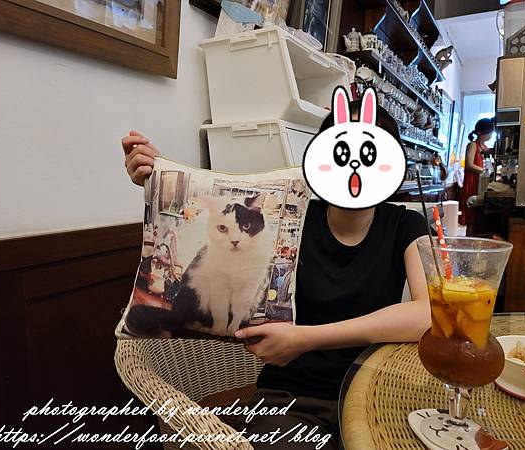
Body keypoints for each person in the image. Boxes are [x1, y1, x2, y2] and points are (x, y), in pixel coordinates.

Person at [121, 102, 431, 450]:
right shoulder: (292, 216)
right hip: (290, 398)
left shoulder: (406, 224)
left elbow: (427, 314)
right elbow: (215, 206)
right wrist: (159, 173)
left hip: (376, 393)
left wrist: (306, 338)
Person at [459, 118, 494, 227]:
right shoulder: (473, 145)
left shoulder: (485, 147)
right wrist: (485, 172)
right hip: (472, 181)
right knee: (471, 213)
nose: (490, 135)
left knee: (477, 215)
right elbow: (469, 165)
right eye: (489, 132)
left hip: (481, 181)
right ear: (480, 132)